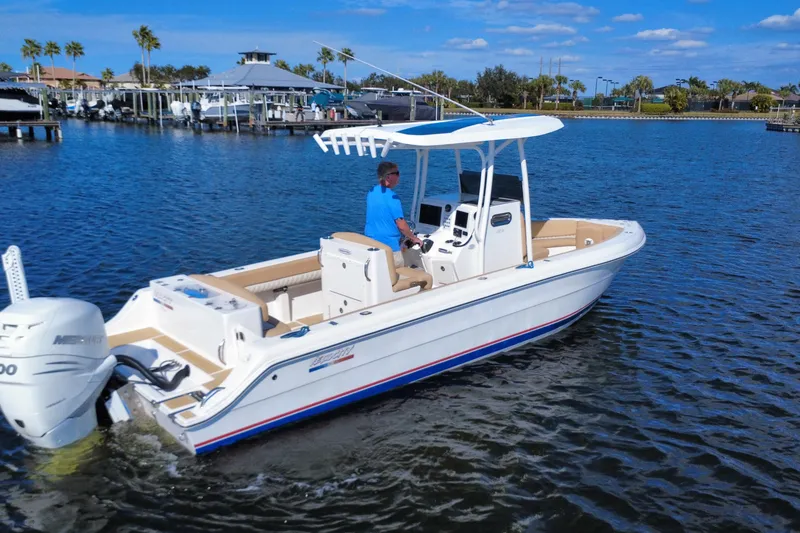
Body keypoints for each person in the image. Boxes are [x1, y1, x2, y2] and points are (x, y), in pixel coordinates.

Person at [365, 162, 423, 266]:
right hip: (389, 247)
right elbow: (401, 225)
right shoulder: (393, 198)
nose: (399, 176)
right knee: (403, 266)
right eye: (397, 173)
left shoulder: (371, 192)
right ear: (388, 177)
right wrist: (414, 238)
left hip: (370, 244)